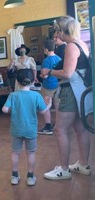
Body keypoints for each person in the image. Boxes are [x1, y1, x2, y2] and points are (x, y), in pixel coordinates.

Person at [42, 16, 92, 180]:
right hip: (82, 92)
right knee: (80, 129)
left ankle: (63, 169)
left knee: (60, 129)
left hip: (71, 91)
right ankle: (83, 164)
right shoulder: (82, 44)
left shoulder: (71, 46)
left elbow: (67, 74)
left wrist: (48, 71)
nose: (56, 35)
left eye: (57, 31)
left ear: (63, 31)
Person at [2, 69, 52, 186]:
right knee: (31, 153)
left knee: (15, 153)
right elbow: (42, 111)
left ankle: (14, 176)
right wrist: (49, 105)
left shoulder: (13, 95)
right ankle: (30, 177)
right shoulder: (36, 95)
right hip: (31, 130)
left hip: (16, 129)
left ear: (17, 82)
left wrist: (10, 109)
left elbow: (4, 109)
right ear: (32, 82)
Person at [38, 39, 61, 135]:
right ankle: (58, 126)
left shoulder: (46, 61)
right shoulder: (59, 59)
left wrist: (41, 76)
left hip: (48, 86)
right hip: (58, 85)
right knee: (57, 107)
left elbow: (45, 75)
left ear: (46, 49)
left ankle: (48, 127)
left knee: (46, 106)